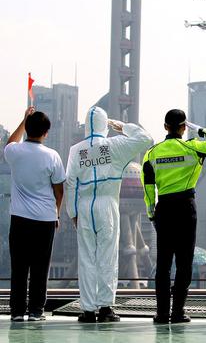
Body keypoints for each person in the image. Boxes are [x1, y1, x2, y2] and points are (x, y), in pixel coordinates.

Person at [65, 106, 153, 323]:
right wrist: (123, 127)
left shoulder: (76, 150)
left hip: (84, 207)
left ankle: (87, 310)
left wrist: (73, 213)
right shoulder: (115, 146)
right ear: (106, 124)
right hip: (108, 205)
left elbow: (70, 183)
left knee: (86, 259)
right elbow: (145, 138)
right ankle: (105, 308)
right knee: (108, 257)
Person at [141, 109, 206, 324]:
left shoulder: (152, 153)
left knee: (163, 264)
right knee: (184, 263)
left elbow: (148, 187)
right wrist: (197, 128)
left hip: (164, 208)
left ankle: (162, 313)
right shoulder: (193, 147)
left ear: (164, 127)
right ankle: (178, 312)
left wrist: (152, 213)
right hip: (185, 208)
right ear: (183, 127)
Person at [4, 107, 65, 321]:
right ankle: (36, 311)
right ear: (46, 132)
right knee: (40, 268)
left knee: (19, 267)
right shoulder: (53, 156)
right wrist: (56, 213)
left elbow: (10, 142)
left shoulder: (15, 152)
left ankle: (17, 312)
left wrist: (23, 121)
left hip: (19, 219)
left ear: (27, 128)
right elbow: (59, 189)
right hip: (45, 220)